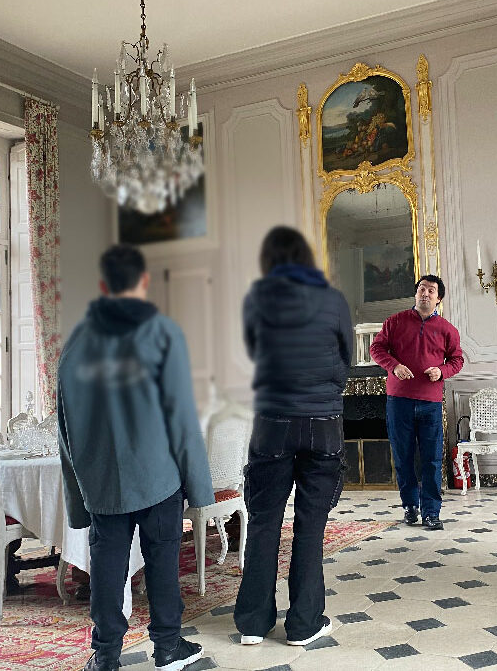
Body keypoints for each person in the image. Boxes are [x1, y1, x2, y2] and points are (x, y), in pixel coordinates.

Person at [57, 244, 214, 671]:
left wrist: (78, 500)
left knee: (106, 570)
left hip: (103, 485)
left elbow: (64, 431)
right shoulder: (162, 333)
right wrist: (200, 488)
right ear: (143, 283)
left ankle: (105, 655)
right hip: (159, 478)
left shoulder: (74, 345)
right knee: (163, 563)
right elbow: (182, 418)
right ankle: (167, 648)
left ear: (104, 286)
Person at [234, 226, 353, 648]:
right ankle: (303, 624)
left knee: (264, 523)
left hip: (272, 422)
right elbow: (347, 362)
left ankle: (251, 623)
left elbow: (252, 353)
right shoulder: (334, 300)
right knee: (310, 526)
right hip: (322, 422)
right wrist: (322, 391)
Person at [369, 275, 463, 530]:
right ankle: (410, 506)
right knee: (403, 456)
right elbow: (376, 349)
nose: (426, 293)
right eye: (422, 289)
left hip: (430, 403)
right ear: (415, 294)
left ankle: (432, 512)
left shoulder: (447, 329)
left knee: (432, 459)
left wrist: (442, 371)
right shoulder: (395, 322)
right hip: (398, 401)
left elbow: (457, 360)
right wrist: (394, 365)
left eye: (431, 290)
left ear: (438, 298)